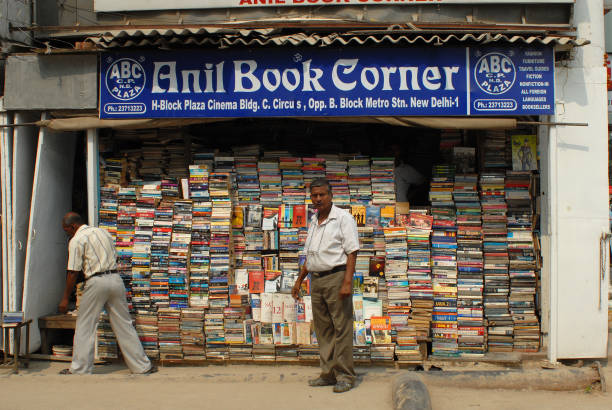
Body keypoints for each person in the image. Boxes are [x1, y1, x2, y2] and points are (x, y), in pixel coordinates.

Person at [58, 212, 157, 375]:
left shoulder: (77, 240)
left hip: (96, 281)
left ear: (73, 226)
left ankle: (80, 369)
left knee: (85, 326)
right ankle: (141, 366)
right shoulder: (103, 232)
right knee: (124, 324)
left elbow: (73, 272)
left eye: (66, 230)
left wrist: (64, 298)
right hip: (115, 279)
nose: (67, 233)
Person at [292, 178, 359, 393]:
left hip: (336, 277)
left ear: (330, 196)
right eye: (314, 195)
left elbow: (352, 251)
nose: (318, 199)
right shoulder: (314, 220)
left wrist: (347, 282)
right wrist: (299, 280)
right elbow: (310, 255)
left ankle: (346, 376)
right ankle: (328, 373)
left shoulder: (343, 218)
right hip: (316, 279)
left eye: (322, 195)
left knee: (342, 328)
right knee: (323, 330)